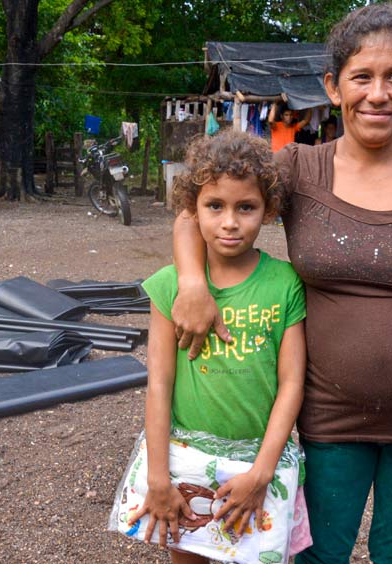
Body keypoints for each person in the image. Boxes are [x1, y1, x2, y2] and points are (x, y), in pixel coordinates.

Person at [169, 5, 392, 564]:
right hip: (327, 417)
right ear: (333, 85)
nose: (378, 93)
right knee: (318, 555)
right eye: (361, 77)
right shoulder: (299, 169)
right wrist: (191, 283)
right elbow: (194, 208)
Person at [112, 130, 310, 563]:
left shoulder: (285, 283)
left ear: (269, 209)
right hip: (182, 462)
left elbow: (292, 383)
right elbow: (159, 384)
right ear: (192, 209)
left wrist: (262, 472)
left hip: (260, 463)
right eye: (214, 206)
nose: (230, 222)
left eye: (247, 207)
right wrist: (158, 477)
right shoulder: (169, 287)